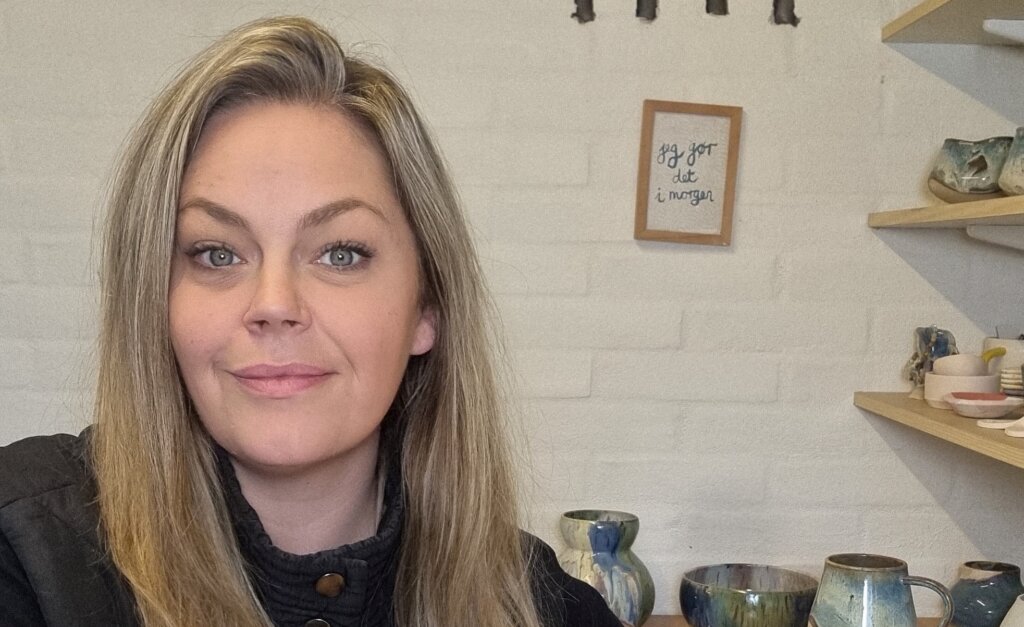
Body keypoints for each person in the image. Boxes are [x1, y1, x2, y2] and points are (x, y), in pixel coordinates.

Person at [0, 16, 622, 627]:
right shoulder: (24, 554)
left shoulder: (542, 607)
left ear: (426, 308)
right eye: (217, 254)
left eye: (340, 254)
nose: (274, 304)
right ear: (153, 301)